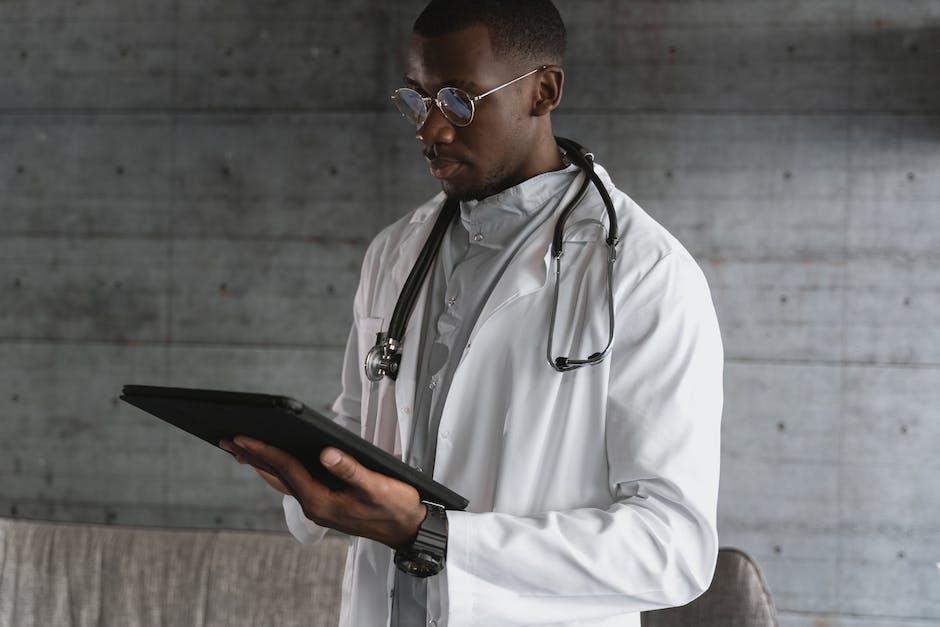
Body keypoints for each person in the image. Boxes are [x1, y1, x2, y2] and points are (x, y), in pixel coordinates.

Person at [221, 1, 723, 625]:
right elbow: (358, 420)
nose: (430, 130)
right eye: (418, 99)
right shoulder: (393, 253)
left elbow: (673, 550)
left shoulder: (644, 274)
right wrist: (314, 475)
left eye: (459, 100)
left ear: (544, 91)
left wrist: (434, 534)